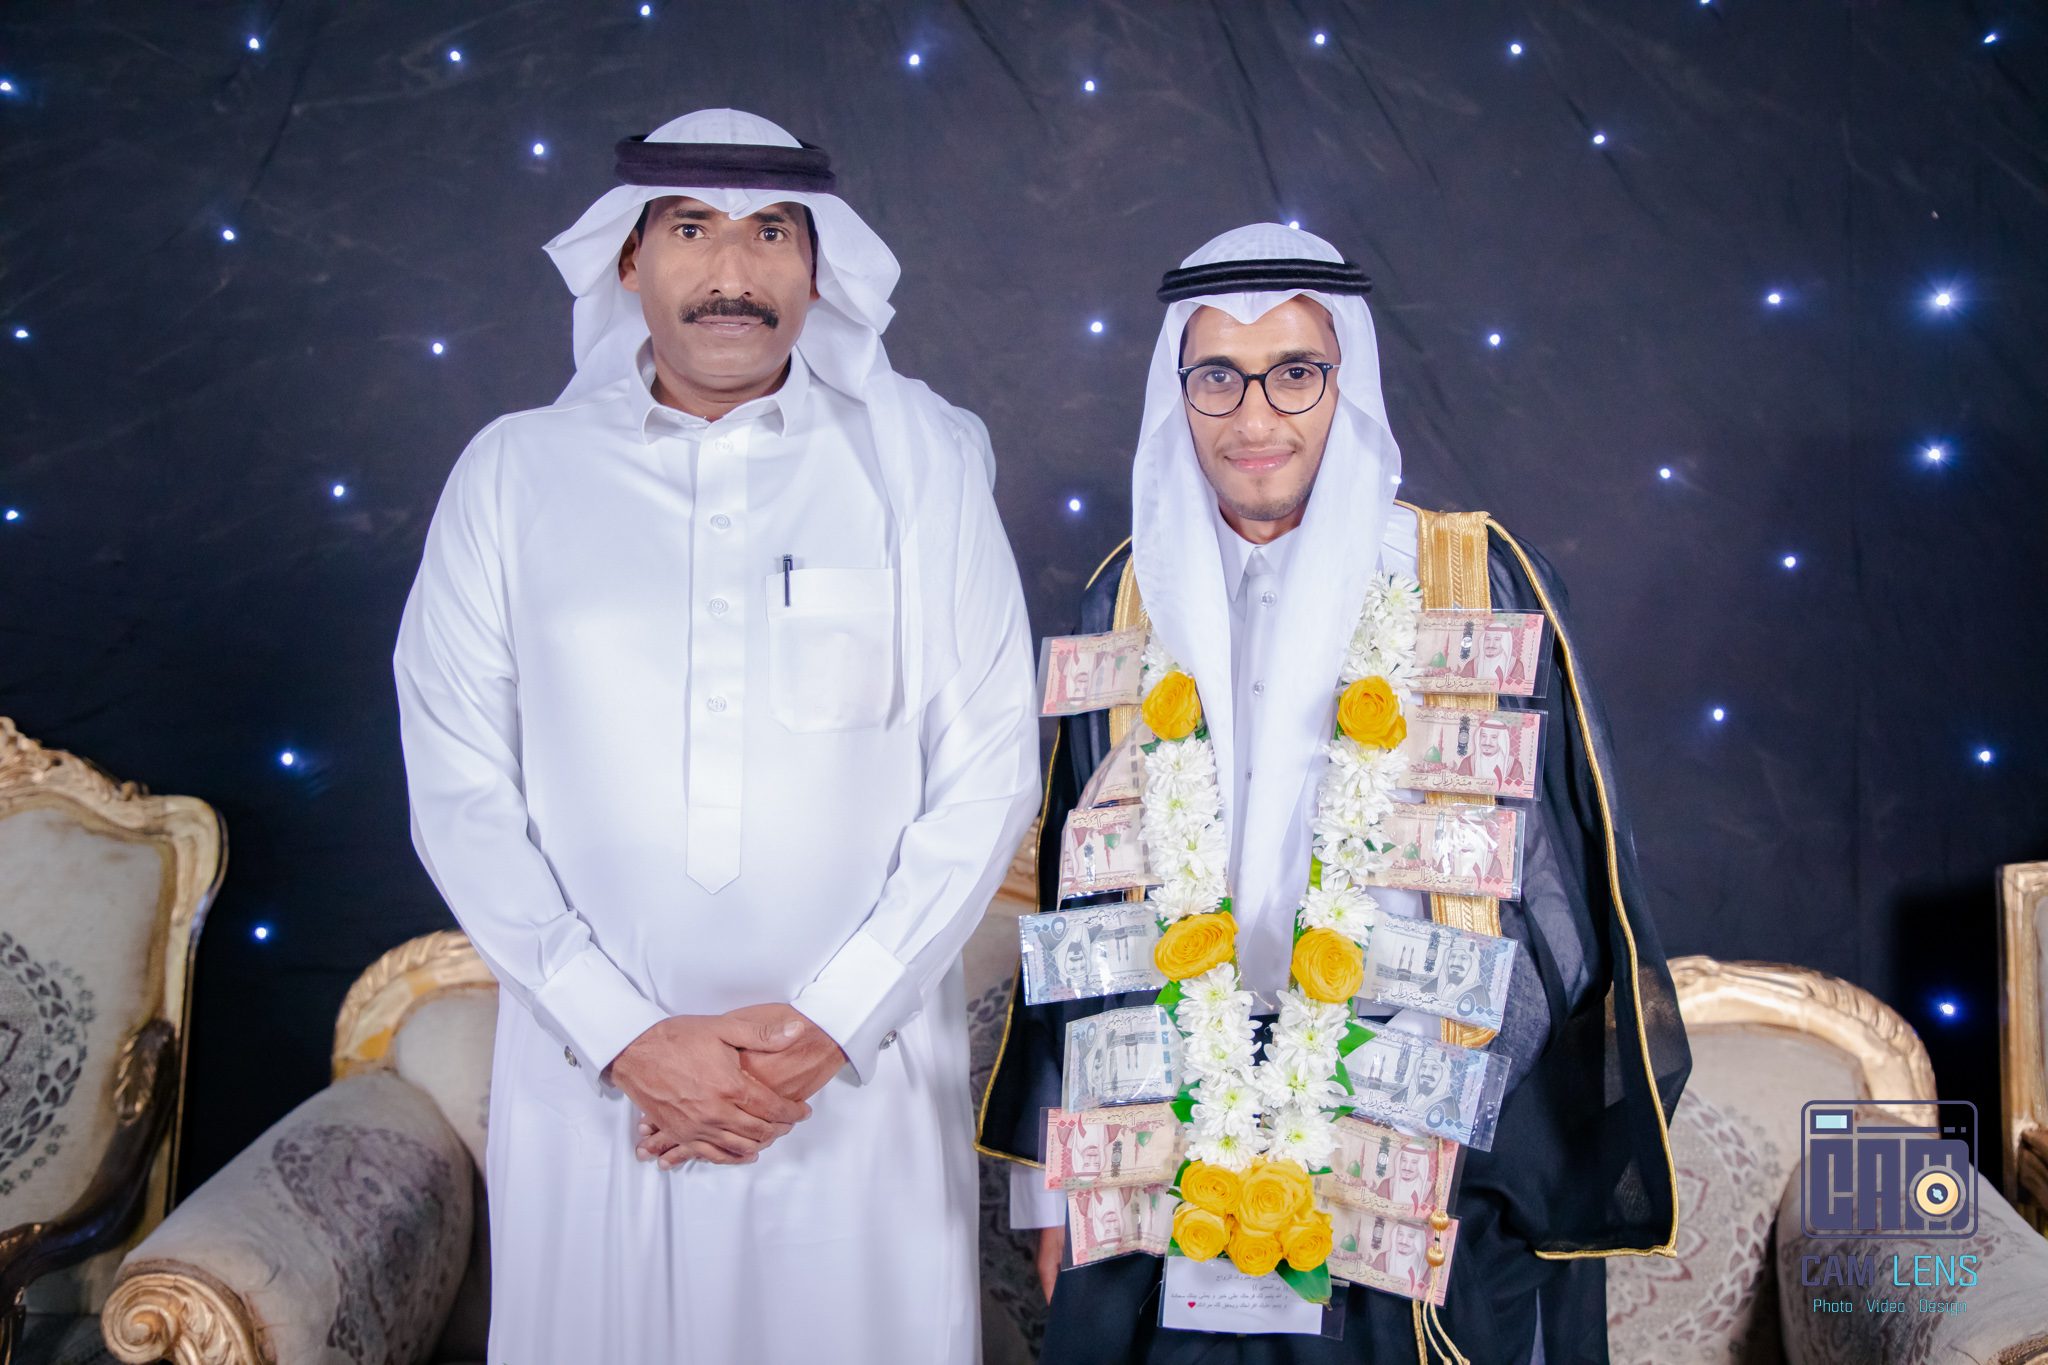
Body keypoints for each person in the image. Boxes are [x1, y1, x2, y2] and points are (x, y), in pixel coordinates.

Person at [977, 224, 1688, 1362]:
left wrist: (1408, 1105)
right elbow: (1078, 906)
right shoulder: (1127, 594)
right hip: (1165, 1148)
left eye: (1293, 373)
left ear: (1344, 383)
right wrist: (1054, 1186)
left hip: (1413, 1152)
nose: (1254, 417)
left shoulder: (1470, 576)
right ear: (1177, 395)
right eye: (1218, 376)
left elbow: (1550, 899)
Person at [394, 108, 1038, 1364]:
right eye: (690, 230)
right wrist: (624, 1037)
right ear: (627, 260)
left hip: (850, 1091)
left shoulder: (920, 466)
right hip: (595, 1089)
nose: (731, 272)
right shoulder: (512, 475)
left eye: (770, 233)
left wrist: (830, 1026)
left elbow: (987, 769)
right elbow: (458, 787)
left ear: (819, 264)